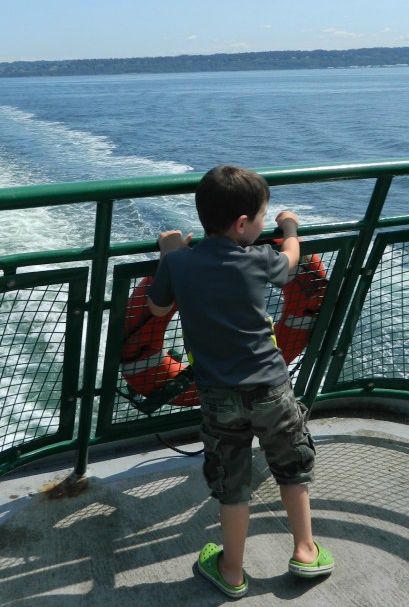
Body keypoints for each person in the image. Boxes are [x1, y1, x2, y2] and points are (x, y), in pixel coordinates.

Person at [147, 164, 334, 599]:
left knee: (232, 485)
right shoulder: (258, 258)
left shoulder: (179, 263)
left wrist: (168, 254)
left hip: (219, 398)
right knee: (291, 470)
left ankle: (231, 570)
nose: (267, 223)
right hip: (273, 389)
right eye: (264, 217)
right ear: (243, 224)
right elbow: (289, 263)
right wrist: (290, 227)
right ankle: (305, 551)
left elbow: (157, 311)